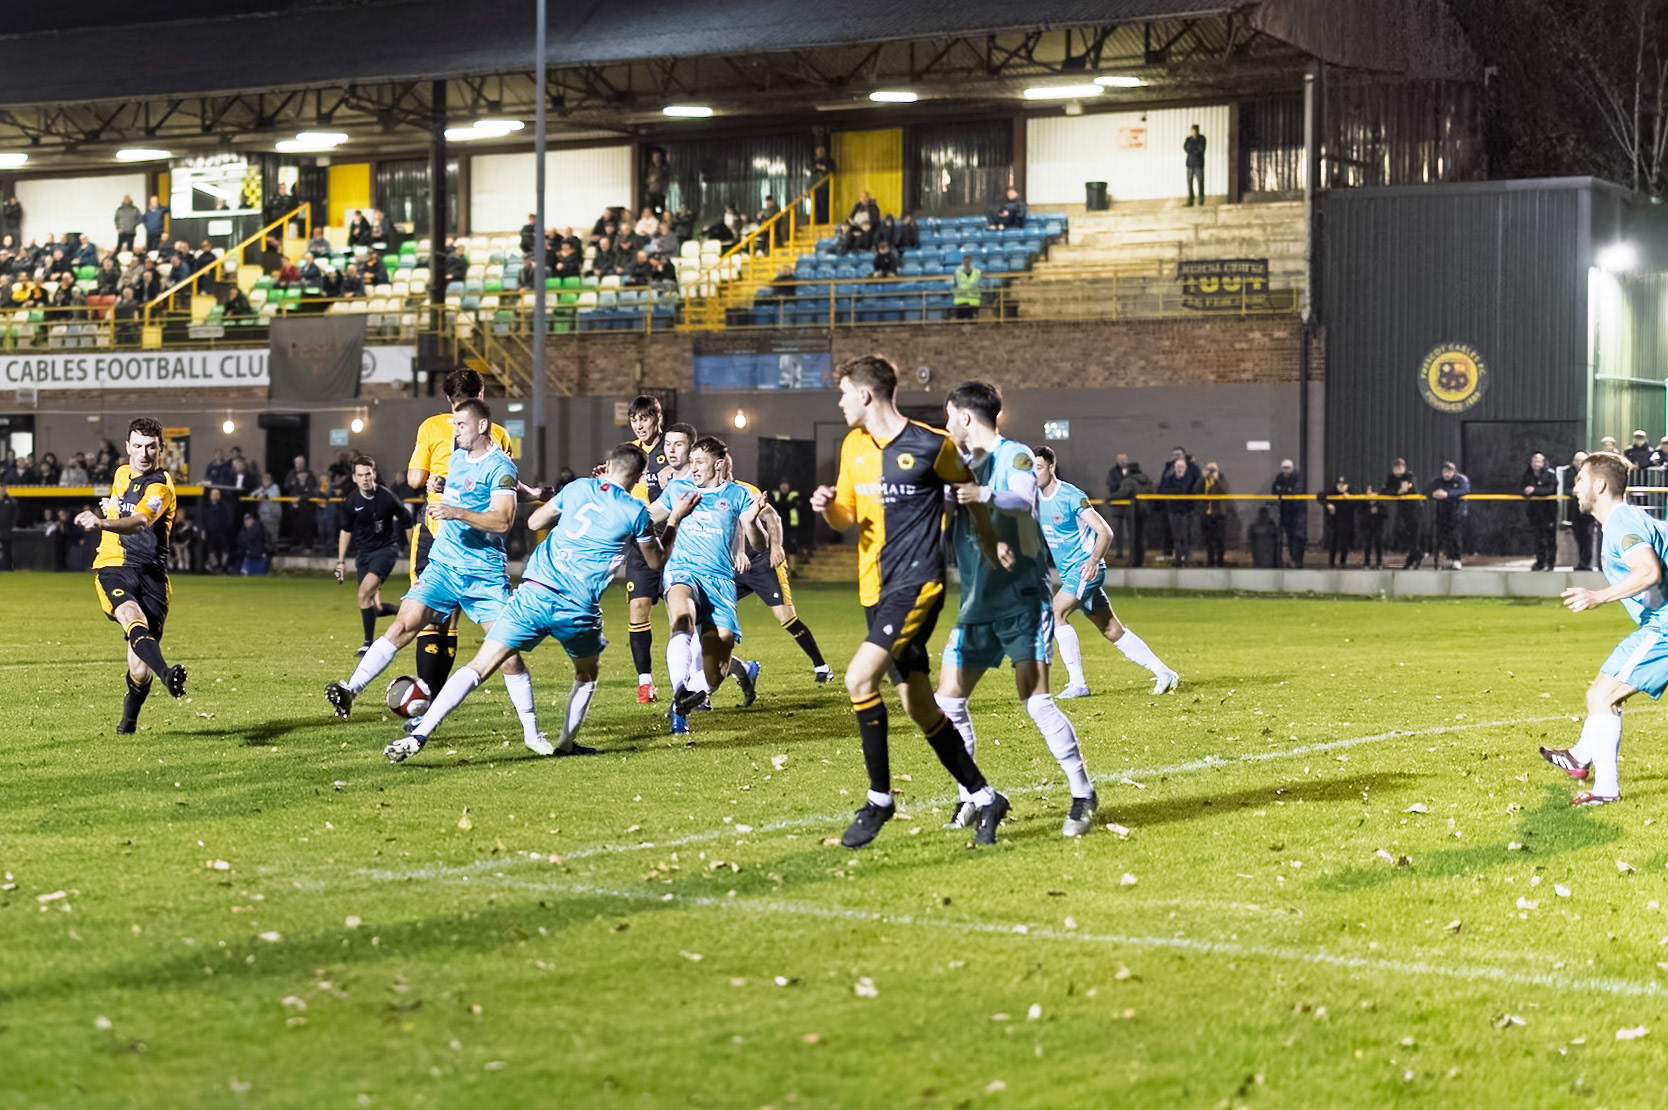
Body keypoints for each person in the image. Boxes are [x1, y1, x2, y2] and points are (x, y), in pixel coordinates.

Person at [811, 355, 1008, 850]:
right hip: (873, 591)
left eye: (842, 392)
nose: (838, 402)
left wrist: (992, 545)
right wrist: (827, 508)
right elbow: (845, 519)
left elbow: (971, 493)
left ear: (865, 395)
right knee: (919, 705)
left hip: (918, 585)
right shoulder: (852, 446)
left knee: (859, 678)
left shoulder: (931, 445)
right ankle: (985, 797)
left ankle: (879, 800)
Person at [397, 443, 666, 762]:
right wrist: (675, 520)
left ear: (608, 464)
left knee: (479, 666)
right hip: (577, 608)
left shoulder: (579, 487)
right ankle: (566, 744)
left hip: (535, 594)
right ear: (638, 476)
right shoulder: (635, 511)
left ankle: (418, 736)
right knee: (587, 673)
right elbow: (655, 562)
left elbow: (535, 522)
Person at [329, 400, 551, 755]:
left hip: (483, 576)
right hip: (445, 567)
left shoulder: (501, 465)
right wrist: (447, 482)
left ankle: (532, 733)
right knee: (404, 624)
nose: (455, 430)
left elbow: (503, 519)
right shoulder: (459, 455)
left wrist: (454, 511)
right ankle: (349, 689)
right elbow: (480, 487)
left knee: (507, 654)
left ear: (482, 427)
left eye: (461, 424)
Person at [932, 384, 1091, 837]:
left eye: (949, 417)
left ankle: (1082, 792)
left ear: (966, 418)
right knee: (948, 701)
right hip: (978, 601)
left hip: (1022, 598)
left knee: (1037, 701)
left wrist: (980, 496)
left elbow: (1022, 498)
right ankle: (973, 796)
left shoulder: (1015, 454)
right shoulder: (959, 465)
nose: (947, 426)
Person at [1538, 452, 1668, 806]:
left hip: (1664, 629)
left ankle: (1606, 790)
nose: (1575, 487)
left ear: (1599, 484)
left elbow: (1648, 572)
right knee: (1605, 692)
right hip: (1658, 625)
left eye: (1580, 479)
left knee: (1601, 697)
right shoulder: (1628, 518)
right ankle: (1581, 756)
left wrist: (1599, 596)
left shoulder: (1622, 523)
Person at [405, 368, 525, 699]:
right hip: (476, 537)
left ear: (448, 398)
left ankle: (427, 700)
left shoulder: (431, 426)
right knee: (455, 621)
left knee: (429, 619)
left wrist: (437, 476)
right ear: (482, 394)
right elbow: (505, 489)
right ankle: (436, 699)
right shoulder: (498, 433)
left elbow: (415, 480)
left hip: (436, 529)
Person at [1033, 446, 1179, 701]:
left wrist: (1092, 559)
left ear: (1051, 468)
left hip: (1084, 570)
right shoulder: (1034, 497)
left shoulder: (1070, 496)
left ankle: (1078, 684)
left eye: (1038, 468)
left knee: (1055, 613)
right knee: (1113, 630)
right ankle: (1164, 672)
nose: (1034, 474)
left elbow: (1105, 531)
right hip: (1073, 574)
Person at [74, 417, 189, 733]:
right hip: (114, 567)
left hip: (152, 576)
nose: (143, 453)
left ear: (161, 449)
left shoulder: (160, 488)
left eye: (151, 446)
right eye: (137, 446)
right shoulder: (121, 473)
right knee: (129, 614)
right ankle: (167, 674)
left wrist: (101, 521)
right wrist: (110, 508)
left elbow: (139, 520)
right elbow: (122, 506)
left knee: (138, 670)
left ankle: (129, 721)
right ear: (127, 447)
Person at [649, 436, 765, 734]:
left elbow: (759, 544)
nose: (694, 467)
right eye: (693, 461)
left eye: (700, 462)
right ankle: (680, 692)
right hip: (683, 571)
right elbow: (648, 516)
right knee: (682, 619)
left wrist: (751, 521)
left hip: (720, 581)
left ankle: (682, 704)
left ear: (719, 463)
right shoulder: (678, 489)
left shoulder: (739, 495)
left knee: (716, 674)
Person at [720, 456, 832, 685]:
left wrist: (777, 547)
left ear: (725, 466)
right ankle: (736, 671)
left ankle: (821, 666)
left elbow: (772, 517)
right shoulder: (704, 492)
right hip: (732, 567)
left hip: (761, 562)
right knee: (708, 616)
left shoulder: (745, 491)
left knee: (786, 616)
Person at [621, 396, 673, 704]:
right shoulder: (628, 454)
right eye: (635, 420)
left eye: (645, 419)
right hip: (641, 543)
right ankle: (645, 683)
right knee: (637, 611)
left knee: (679, 615)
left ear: (657, 418)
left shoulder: (673, 448)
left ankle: (692, 677)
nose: (640, 425)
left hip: (673, 543)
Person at [335, 455, 414, 655]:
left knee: (363, 594)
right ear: (354, 478)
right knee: (374, 608)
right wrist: (341, 562)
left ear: (374, 474)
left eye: (368, 474)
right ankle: (402, 611)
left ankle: (368, 644)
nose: (365, 478)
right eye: (360, 475)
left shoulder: (387, 497)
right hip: (364, 553)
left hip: (386, 551)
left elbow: (406, 522)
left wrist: (415, 553)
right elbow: (345, 531)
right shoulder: (351, 501)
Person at [1426, 461, 1470, 569]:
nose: (1447, 474)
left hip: (1456, 512)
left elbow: (1465, 490)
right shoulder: (1438, 481)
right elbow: (1426, 490)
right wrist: (1434, 494)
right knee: (1444, 536)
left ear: (1454, 472)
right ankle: (1449, 558)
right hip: (1442, 512)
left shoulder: (1460, 479)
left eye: (1449, 471)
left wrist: (1447, 494)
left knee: (1455, 535)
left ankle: (1457, 558)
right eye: (1445, 471)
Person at [1159, 456, 1199, 567]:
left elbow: (1189, 491)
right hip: (1174, 511)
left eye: (1182, 466)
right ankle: (1178, 559)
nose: (1180, 468)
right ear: (1174, 468)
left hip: (1187, 512)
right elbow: (1163, 490)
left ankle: (1186, 560)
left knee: (1186, 537)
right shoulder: (1169, 479)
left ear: (1185, 468)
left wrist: (1177, 493)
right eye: (1178, 466)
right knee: (1176, 537)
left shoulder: (1190, 479)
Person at [1522, 451, 1559, 571]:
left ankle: (1551, 563)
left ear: (1544, 462)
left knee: (1550, 538)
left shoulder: (1550, 474)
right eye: (1534, 461)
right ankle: (1540, 561)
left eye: (1539, 461)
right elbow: (1520, 487)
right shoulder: (1528, 474)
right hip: (1534, 512)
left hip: (1549, 512)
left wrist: (1534, 490)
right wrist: (1526, 491)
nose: (1536, 463)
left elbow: (1550, 490)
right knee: (1538, 538)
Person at [1383, 459, 1421, 568]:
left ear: (1404, 468)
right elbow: (1385, 491)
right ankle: (1415, 554)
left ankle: (1414, 557)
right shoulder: (1391, 477)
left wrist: (1396, 492)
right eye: (1395, 468)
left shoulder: (1409, 476)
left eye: (1400, 468)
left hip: (1414, 508)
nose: (1397, 470)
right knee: (1400, 532)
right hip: (1402, 508)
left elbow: (1406, 490)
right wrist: (1396, 492)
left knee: (1413, 534)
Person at [1564, 451, 1595, 572]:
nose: (1579, 464)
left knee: (1587, 536)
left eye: (1582, 461)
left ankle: (1586, 562)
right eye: (1577, 461)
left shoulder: (1592, 473)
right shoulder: (1569, 473)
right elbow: (1566, 489)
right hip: (1574, 509)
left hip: (1588, 509)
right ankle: (1580, 562)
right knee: (1578, 536)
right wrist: (1572, 492)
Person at [1272, 459, 1306, 568]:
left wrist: (1283, 490)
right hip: (1285, 512)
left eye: (1287, 468)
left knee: (1298, 537)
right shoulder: (1280, 477)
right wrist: (1286, 490)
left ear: (1292, 468)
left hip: (1297, 512)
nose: (1285, 470)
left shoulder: (1297, 477)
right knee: (1288, 537)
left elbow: (1296, 490)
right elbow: (1274, 490)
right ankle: (1291, 559)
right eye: (1284, 468)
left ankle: (1297, 560)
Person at [1318, 475, 1357, 568]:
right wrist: (1327, 504)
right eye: (1339, 484)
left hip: (1347, 521)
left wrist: (1350, 498)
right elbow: (1319, 496)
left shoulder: (1352, 491)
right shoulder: (1332, 490)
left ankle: (1343, 562)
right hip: (1334, 520)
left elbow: (1359, 503)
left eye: (1343, 485)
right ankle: (1331, 562)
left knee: (1345, 542)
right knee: (1333, 541)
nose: (1341, 487)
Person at [1199, 461, 1230, 566]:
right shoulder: (1204, 480)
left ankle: (1220, 563)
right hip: (1206, 515)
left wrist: (1216, 479)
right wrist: (1202, 478)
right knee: (1209, 542)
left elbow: (1225, 492)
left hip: (1219, 515)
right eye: (1209, 469)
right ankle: (1210, 563)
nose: (1211, 472)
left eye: (1213, 469)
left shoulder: (1221, 479)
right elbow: (1195, 491)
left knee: (1220, 541)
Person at [200, 486, 236, 573]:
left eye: (216, 494)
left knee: (224, 550)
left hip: (222, 532)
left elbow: (228, 518)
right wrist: (203, 530)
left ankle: (224, 566)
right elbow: (204, 519)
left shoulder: (224, 506)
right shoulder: (207, 506)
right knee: (211, 550)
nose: (215, 496)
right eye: (213, 494)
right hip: (211, 532)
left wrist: (226, 529)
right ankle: (214, 566)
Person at [951, 253, 982, 320]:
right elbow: (954, 283)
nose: (967, 261)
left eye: (968, 260)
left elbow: (980, 284)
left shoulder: (977, 272)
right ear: (963, 261)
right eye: (965, 260)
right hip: (960, 301)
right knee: (960, 323)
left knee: (972, 323)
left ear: (971, 261)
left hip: (973, 301)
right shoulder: (957, 271)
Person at [810, 145, 836, 224]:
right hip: (815, 188)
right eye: (818, 151)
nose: (820, 153)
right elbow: (811, 170)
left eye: (821, 151)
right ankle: (818, 222)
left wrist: (822, 168)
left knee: (825, 206)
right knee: (816, 207)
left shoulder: (830, 162)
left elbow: (832, 172)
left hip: (825, 187)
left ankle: (825, 222)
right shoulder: (813, 162)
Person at [1184, 125, 1207, 206]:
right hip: (1190, 164)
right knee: (1189, 183)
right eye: (1193, 130)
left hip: (1198, 164)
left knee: (1200, 182)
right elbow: (1186, 148)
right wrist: (1195, 149)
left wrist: (1192, 149)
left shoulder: (1202, 139)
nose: (1194, 132)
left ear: (1198, 130)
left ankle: (1201, 200)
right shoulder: (1188, 139)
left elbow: (1201, 149)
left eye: (1195, 130)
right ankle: (1190, 200)